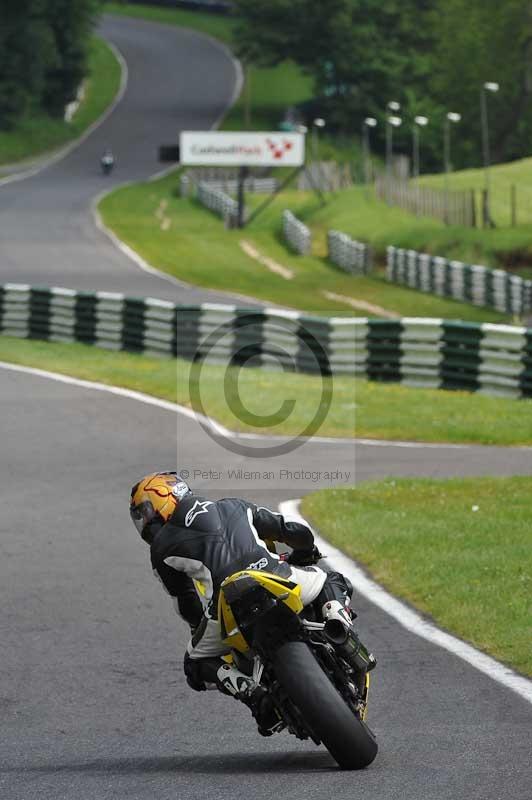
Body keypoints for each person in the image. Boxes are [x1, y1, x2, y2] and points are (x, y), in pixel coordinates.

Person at [130, 471, 357, 734]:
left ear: (166, 497)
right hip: (275, 575)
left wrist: (198, 626)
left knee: (195, 665)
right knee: (330, 579)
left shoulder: (160, 549)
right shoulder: (233, 505)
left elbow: (185, 601)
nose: (146, 521)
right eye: (140, 516)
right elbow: (290, 530)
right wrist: (306, 552)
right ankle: (337, 620)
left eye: (146, 511)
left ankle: (250, 691)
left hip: (226, 601)